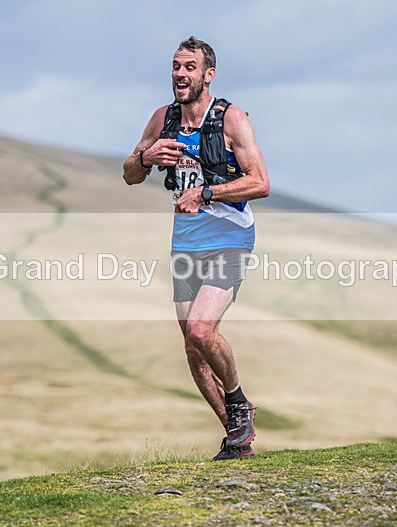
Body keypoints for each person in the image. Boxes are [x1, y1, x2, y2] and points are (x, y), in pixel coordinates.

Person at [123, 36, 270, 460]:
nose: (180, 74)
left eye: (189, 67)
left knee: (202, 329)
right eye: (176, 66)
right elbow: (129, 174)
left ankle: (238, 401)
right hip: (185, 245)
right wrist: (147, 158)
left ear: (208, 75)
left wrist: (206, 193)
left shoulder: (231, 119)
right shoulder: (162, 118)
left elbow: (260, 183)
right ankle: (237, 439)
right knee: (192, 347)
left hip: (230, 238)